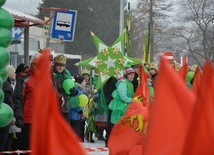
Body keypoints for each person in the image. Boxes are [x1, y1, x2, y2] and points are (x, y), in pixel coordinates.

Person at [12, 53, 42, 151]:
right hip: (29, 120)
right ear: (32, 64)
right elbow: (17, 99)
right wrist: (19, 116)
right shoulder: (24, 79)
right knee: (27, 147)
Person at [53, 54, 77, 123]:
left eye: (62, 66)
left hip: (65, 107)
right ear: (55, 65)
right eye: (59, 65)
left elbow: (72, 85)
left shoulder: (67, 74)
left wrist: (74, 92)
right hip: (54, 106)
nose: (60, 68)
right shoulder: (51, 74)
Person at [0, 65, 16, 151]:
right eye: (13, 72)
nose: (15, 74)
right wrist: (12, 115)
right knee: (4, 142)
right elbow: (8, 100)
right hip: (4, 116)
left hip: (4, 115)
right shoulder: (6, 84)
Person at [70, 74, 87, 142]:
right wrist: (79, 110)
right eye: (84, 81)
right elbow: (73, 102)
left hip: (77, 115)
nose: (85, 82)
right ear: (80, 82)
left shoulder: (80, 90)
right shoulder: (76, 91)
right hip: (74, 114)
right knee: (74, 131)